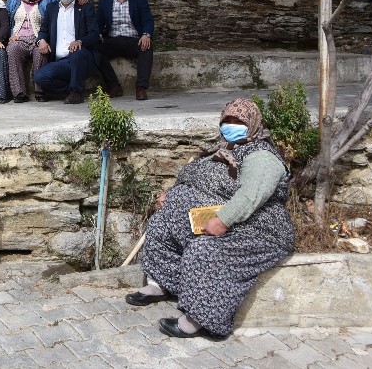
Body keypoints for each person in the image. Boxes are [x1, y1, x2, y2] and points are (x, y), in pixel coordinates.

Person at [126, 99, 294, 339]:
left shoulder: (262, 156)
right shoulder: (224, 148)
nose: (231, 125)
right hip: (226, 222)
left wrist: (223, 219)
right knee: (160, 225)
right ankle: (160, 285)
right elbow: (196, 178)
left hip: (258, 230)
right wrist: (171, 195)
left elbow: (251, 195)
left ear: (253, 124)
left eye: (238, 121)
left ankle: (198, 320)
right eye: (227, 120)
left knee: (205, 250)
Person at [33, 0, 101, 104]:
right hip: (61, 62)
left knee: (76, 52)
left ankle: (76, 92)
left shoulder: (85, 7)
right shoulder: (51, 8)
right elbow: (44, 30)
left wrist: (80, 41)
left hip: (81, 58)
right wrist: (41, 40)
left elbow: (94, 34)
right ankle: (71, 89)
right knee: (40, 77)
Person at [96, 0, 155, 101]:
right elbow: (98, 23)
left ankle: (141, 88)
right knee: (94, 49)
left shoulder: (140, 1)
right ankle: (114, 86)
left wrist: (146, 35)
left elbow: (148, 20)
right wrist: (98, 35)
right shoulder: (105, 2)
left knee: (147, 47)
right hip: (111, 40)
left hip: (133, 41)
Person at [5, 0, 55, 103]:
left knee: (41, 52)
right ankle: (19, 92)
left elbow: (61, 5)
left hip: (38, 38)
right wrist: (11, 35)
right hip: (18, 38)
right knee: (12, 49)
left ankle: (40, 90)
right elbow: (6, 19)